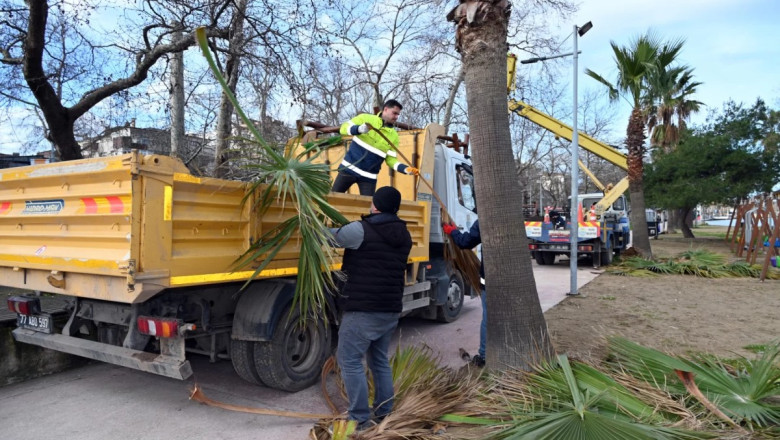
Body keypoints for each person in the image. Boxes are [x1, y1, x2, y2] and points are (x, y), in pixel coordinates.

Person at [326, 186, 413, 429]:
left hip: (363, 309)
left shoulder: (361, 229)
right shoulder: (403, 233)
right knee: (378, 360)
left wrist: (311, 222)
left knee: (350, 360)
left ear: (374, 205)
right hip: (390, 308)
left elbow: (331, 237)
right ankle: (385, 412)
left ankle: (360, 420)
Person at [332, 100, 419, 196]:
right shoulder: (366, 119)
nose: (396, 117)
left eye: (398, 114)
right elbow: (343, 128)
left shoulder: (394, 136)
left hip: (368, 178)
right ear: (385, 109)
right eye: (394, 113)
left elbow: (391, 160)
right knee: (332, 199)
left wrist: (406, 169)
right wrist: (358, 129)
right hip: (348, 169)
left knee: (369, 209)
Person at [442, 220, 486, 367]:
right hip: (512, 277)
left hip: (490, 278)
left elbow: (465, 242)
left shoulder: (484, 219)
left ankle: (484, 355)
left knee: (489, 317)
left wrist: (452, 231)